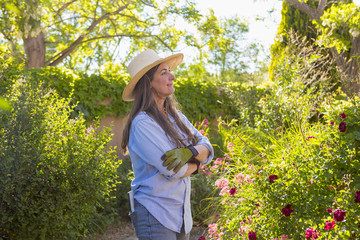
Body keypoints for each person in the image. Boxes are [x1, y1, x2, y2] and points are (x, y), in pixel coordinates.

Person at [121, 49, 214, 240]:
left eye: (169, 71)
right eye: (163, 73)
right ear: (148, 82)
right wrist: (198, 162)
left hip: (180, 215)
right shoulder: (143, 123)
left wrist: (189, 152)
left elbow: (207, 146)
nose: (172, 76)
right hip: (155, 214)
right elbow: (175, 170)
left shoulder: (177, 117)